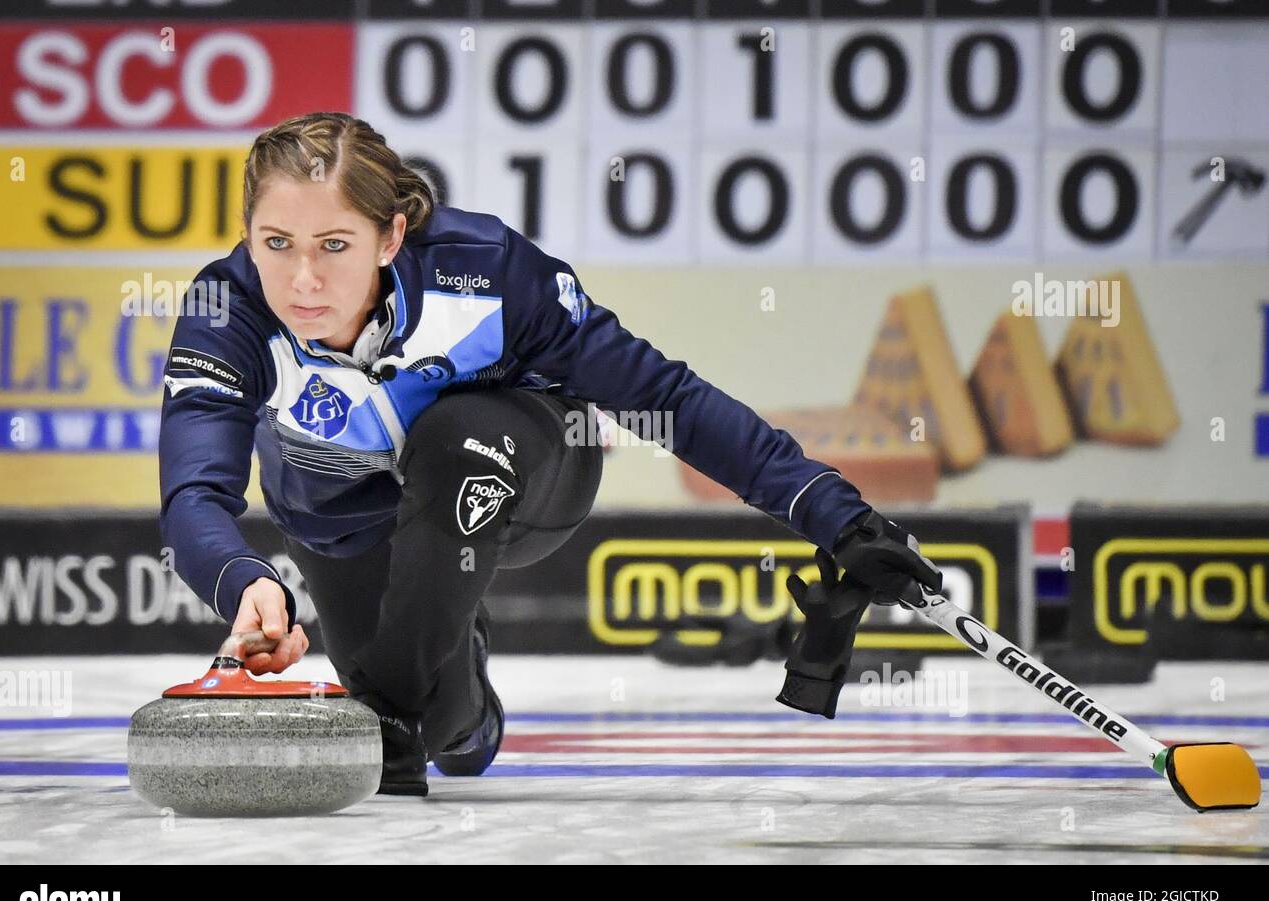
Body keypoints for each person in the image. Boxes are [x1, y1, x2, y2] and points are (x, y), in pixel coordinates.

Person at [158, 112, 940, 797]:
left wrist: (837, 516)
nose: (302, 280)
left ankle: (398, 699)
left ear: (392, 235)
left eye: (334, 244)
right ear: (246, 239)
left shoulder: (490, 273)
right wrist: (245, 582)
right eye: (276, 243)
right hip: (342, 516)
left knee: (400, 696)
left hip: (523, 472)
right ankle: (446, 672)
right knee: (453, 740)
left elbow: (664, 401)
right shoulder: (225, 313)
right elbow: (194, 495)